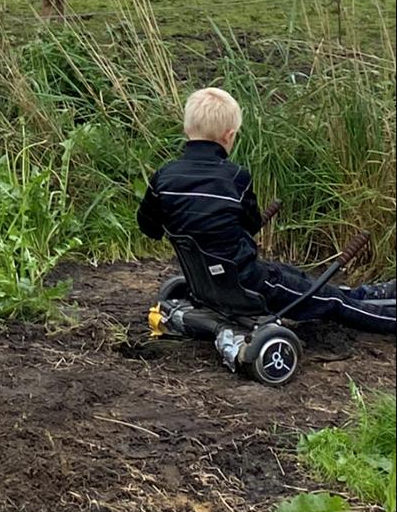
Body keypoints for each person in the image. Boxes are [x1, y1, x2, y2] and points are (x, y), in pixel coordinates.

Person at [137, 87, 395, 335]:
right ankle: (384, 316)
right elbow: (250, 224)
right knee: (330, 302)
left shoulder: (164, 178)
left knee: (295, 277)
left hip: (205, 280)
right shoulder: (235, 177)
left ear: (186, 128)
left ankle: (369, 294)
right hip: (246, 283)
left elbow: (149, 226)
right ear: (229, 136)